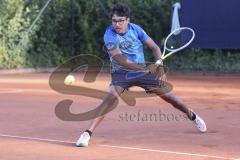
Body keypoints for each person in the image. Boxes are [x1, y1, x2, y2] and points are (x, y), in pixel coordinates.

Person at [76, 3, 207, 147]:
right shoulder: (109, 35)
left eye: (121, 21)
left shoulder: (136, 29)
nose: (117, 24)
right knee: (111, 97)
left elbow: (155, 48)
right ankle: (86, 134)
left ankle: (192, 115)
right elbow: (120, 59)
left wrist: (160, 68)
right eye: (114, 21)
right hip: (121, 73)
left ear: (128, 21)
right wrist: (143, 69)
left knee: (169, 97)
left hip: (142, 71)